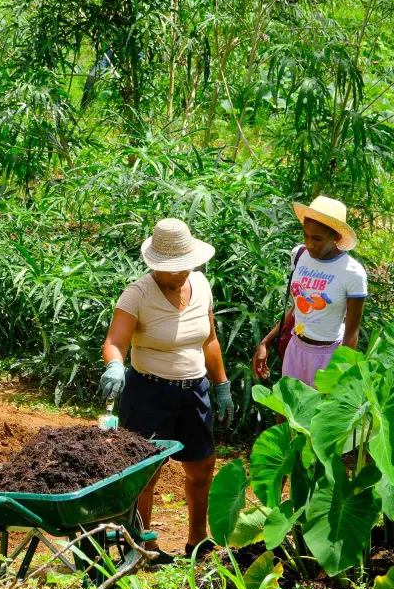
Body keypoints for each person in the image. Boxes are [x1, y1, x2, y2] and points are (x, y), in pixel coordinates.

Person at [100, 218, 234, 565]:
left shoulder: (201, 285)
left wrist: (221, 385)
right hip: (149, 393)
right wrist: (115, 365)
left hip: (194, 393)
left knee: (202, 467)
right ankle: (144, 546)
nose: (182, 273)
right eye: (173, 268)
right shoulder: (138, 294)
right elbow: (115, 341)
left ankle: (197, 540)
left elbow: (210, 340)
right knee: (146, 473)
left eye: (186, 265)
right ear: (156, 264)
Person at [252, 196, 367, 388]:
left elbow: (351, 334)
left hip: (328, 357)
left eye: (317, 239)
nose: (310, 244)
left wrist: (339, 374)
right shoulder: (299, 255)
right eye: (306, 236)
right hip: (296, 349)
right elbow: (297, 308)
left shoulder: (352, 273)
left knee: (317, 416)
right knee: (287, 414)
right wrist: (265, 342)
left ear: (336, 237)